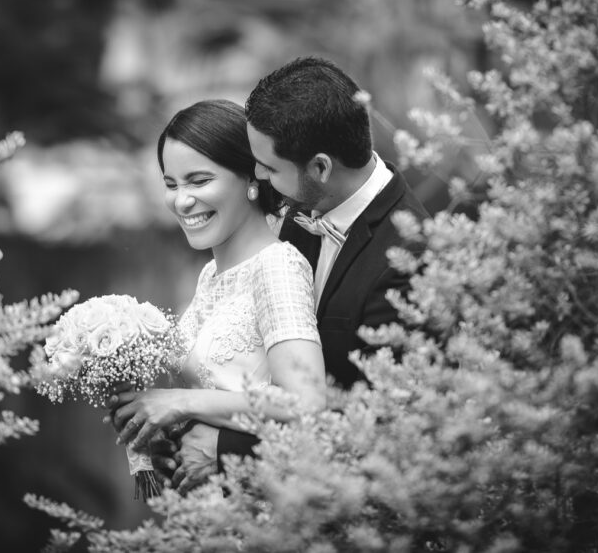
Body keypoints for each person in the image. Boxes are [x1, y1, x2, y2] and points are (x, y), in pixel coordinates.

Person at [159, 56, 430, 489]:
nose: (259, 177)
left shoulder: (408, 261)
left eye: (268, 169)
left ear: (320, 167)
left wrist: (225, 450)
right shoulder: (298, 211)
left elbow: (382, 428)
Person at [106, 99, 327, 474]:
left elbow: (305, 404)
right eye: (171, 184)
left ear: (251, 179)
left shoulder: (276, 266)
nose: (182, 200)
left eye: (199, 180)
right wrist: (165, 438)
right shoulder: (210, 276)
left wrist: (179, 403)